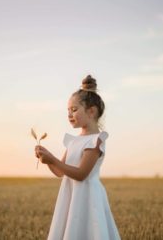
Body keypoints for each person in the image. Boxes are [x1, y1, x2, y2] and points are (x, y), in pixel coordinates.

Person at [35, 75, 121, 240]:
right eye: (68, 110)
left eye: (74, 110)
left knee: (89, 230)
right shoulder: (74, 140)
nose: (69, 114)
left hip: (87, 197)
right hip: (70, 195)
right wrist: (46, 159)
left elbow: (82, 174)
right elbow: (60, 171)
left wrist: (52, 159)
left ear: (91, 111)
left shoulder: (95, 140)